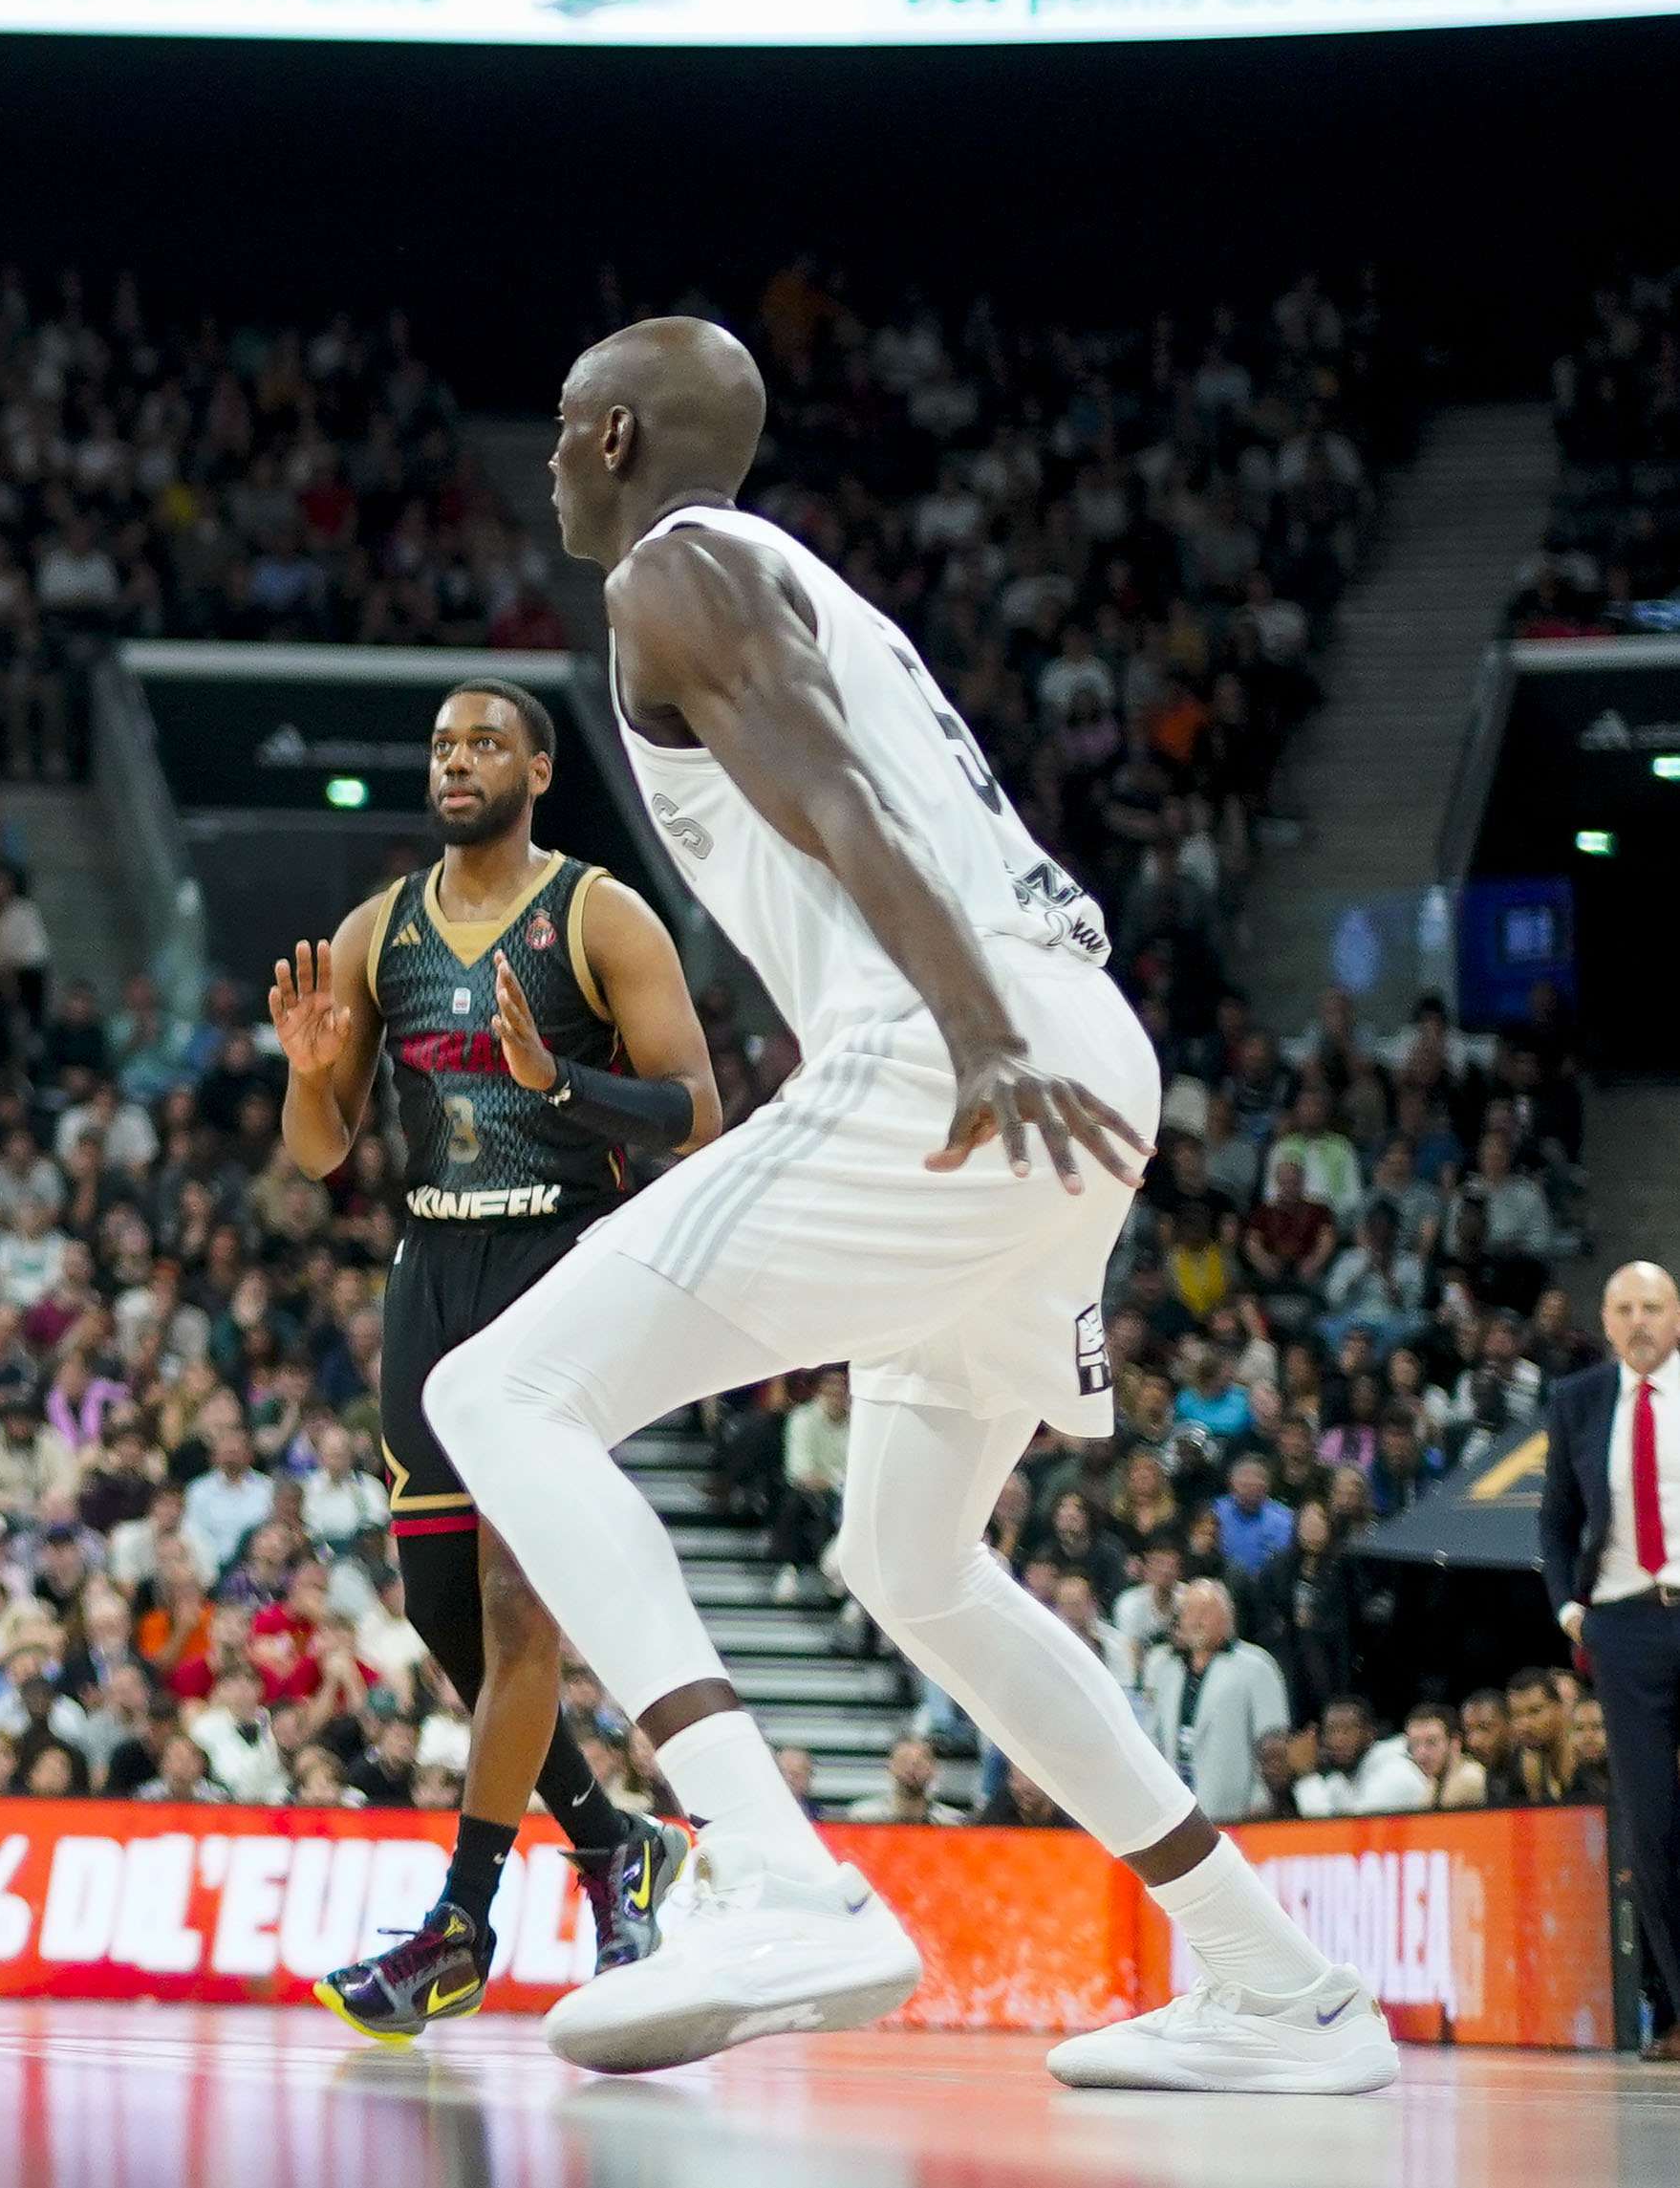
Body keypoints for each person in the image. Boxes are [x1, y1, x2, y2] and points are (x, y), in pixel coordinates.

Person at [417, 317, 1391, 2093]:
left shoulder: (669, 571)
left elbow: (839, 792)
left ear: (616, 434)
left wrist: (967, 1030)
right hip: (1072, 1060)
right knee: (909, 1561)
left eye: (561, 425)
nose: (546, 459)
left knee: (494, 1393)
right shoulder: (803, 582)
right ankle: (1279, 1987)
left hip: (954, 1062)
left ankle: (774, 1874)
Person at [267, 681, 717, 2036]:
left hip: (555, 1272)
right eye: (440, 745)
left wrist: (557, 1083)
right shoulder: (378, 931)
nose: (454, 762)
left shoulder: (595, 914)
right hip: (430, 1274)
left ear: (536, 767)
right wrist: (306, 1072)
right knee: (438, 1612)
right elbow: (319, 1152)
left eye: (482, 744)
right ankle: (612, 1844)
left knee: (519, 1609)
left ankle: (459, 1925)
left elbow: (695, 1109)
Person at [1540, 1255, 1680, 2057]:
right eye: (1624, 1308)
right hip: (1624, 1627)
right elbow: (1557, 1517)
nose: (1638, 1321)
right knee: (1652, 1822)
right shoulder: (1579, 1399)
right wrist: (1571, 1608)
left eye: (1651, 1307)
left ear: (1675, 1316)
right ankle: (1676, 2004)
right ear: (1605, 1320)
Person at [1140, 1574, 1296, 1832]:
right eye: (1189, 1612)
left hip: (1236, 1812)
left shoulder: (1256, 1666)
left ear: (1227, 1617)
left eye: (1205, 1612)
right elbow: (1154, 1737)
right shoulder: (1166, 1669)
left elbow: (1272, 1742)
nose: (1196, 1621)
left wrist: (1261, 1798)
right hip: (1176, 1811)